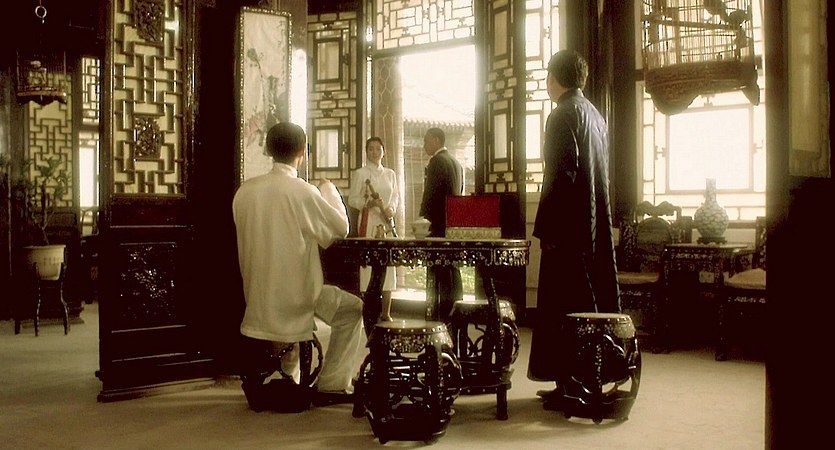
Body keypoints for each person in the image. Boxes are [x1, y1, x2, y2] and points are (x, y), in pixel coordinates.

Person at [233, 122, 364, 406]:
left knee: (287, 310)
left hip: (257, 298)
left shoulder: (244, 192)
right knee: (353, 310)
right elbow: (340, 228)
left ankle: (285, 376)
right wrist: (329, 190)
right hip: (299, 298)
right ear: (302, 152)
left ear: (268, 150)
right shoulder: (302, 191)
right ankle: (332, 385)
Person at [527, 50, 621, 409]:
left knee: (563, 306)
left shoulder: (561, 114)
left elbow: (560, 174)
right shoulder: (596, 115)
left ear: (554, 79)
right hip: (593, 222)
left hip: (567, 228)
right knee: (587, 301)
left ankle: (571, 385)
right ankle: (581, 378)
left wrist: (547, 230)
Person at [348, 137, 400, 321]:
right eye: (371, 149)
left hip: (385, 222)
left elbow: (395, 196)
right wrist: (368, 203)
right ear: (366, 152)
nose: (375, 152)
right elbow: (352, 199)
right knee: (368, 266)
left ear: (384, 151)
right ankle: (368, 311)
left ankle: (386, 312)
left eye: (378, 148)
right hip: (368, 221)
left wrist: (391, 209)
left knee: (388, 265)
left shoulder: (390, 174)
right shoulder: (360, 174)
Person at [419, 127, 464, 320]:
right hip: (452, 224)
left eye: (426, 141)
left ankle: (438, 312)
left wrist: (423, 219)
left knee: (437, 269)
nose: (424, 145)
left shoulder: (436, 161)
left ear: (436, 140)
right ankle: (456, 309)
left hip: (437, 224)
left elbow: (430, 194)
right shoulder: (456, 163)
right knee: (452, 267)